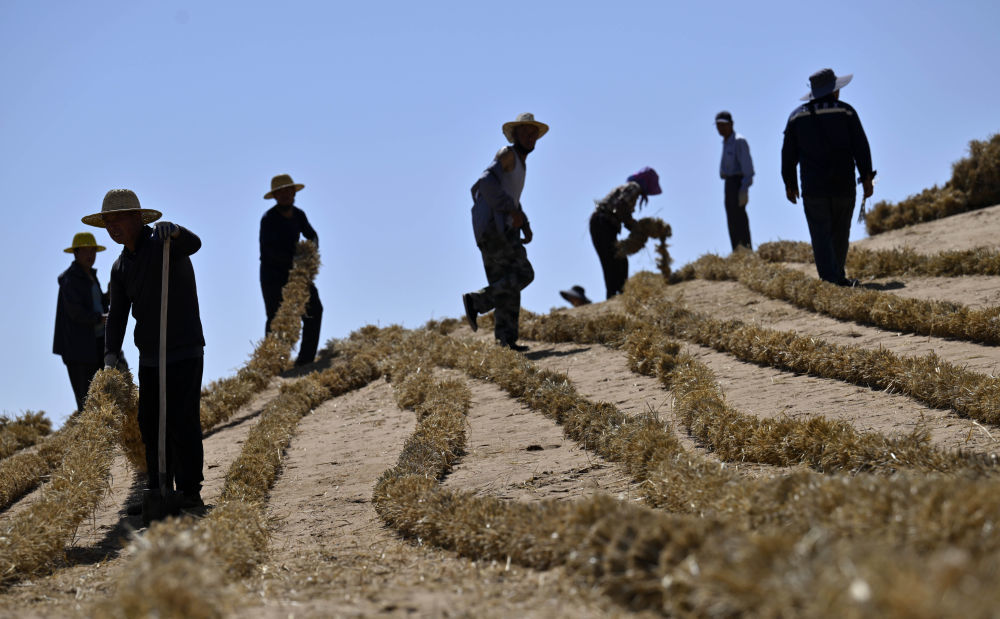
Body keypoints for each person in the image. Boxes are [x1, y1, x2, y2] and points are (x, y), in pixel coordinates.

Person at [82, 189, 206, 517]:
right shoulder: (121, 266)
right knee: (149, 422)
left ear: (138, 218)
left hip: (183, 348)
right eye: (107, 222)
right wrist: (110, 354)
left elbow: (194, 244)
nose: (112, 227)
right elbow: (118, 314)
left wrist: (176, 229)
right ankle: (158, 489)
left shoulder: (165, 245)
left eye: (118, 219)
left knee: (182, 420)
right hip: (150, 354)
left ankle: (191, 493)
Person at [462, 113, 547, 351]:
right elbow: (486, 182)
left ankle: (506, 341)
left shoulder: (521, 163)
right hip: (493, 230)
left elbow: (511, 197)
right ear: (515, 134)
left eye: (534, 134)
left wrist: (525, 221)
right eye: (526, 132)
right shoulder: (507, 155)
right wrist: (511, 210)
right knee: (520, 275)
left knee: (510, 281)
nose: (531, 137)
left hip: (505, 229)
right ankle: (477, 301)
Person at [781, 68, 874, 286]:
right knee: (840, 232)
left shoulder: (796, 117)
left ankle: (829, 279)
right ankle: (837, 276)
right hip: (843, 183)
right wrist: (867, 178)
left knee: (820, 234)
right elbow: (861, 147)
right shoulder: (846, 112)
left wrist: (790, 183)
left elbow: (787, 155)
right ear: (834, 91)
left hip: (813, 187)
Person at [260, 173, 322, 365]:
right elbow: (268, 252)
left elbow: (312, 235)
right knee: (276, 318)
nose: (286, 195)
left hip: (297, 274)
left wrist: (310, 251)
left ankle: (305, 360)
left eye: (289, 191)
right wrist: (294, 262)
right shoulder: (269, 219)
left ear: (294, 193)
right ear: (276, 196)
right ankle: (272, 365)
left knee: (315, 309)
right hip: (273, 276)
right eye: (281, 192)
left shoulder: (299, 215)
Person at [52, 232, 109, 412]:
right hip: (78, 350)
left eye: (93, 250)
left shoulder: (90, 276)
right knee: (87, 402)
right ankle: (90, 440)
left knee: (102, 396)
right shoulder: (70, 279)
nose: (90, 255)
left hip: (95, 345)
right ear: (75, 253)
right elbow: (76, 312)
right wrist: (100, 318)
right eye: (85, 251)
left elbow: (97, 305)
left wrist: (109, 295)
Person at [589, 167, 661, 299]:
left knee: (617, 260)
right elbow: (621, 206)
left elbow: (621, 210)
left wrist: (634, 227)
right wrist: (636, 227)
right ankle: (614, 296)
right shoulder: (634, 187)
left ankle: (619, 294)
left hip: (602, 224)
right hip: (602, 224)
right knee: (612, 260)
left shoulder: (630, 187)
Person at [715, 111, 755, 250]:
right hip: (729, 183)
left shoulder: (739, 141)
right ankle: (737, 250)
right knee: (731, 219)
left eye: (723, 125)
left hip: (738, 182)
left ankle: (746, 248)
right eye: (718, 126)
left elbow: (747, 167)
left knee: (739, 218)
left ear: (731, 124)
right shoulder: (725, 142)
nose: (721, 128)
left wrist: (744, 188)